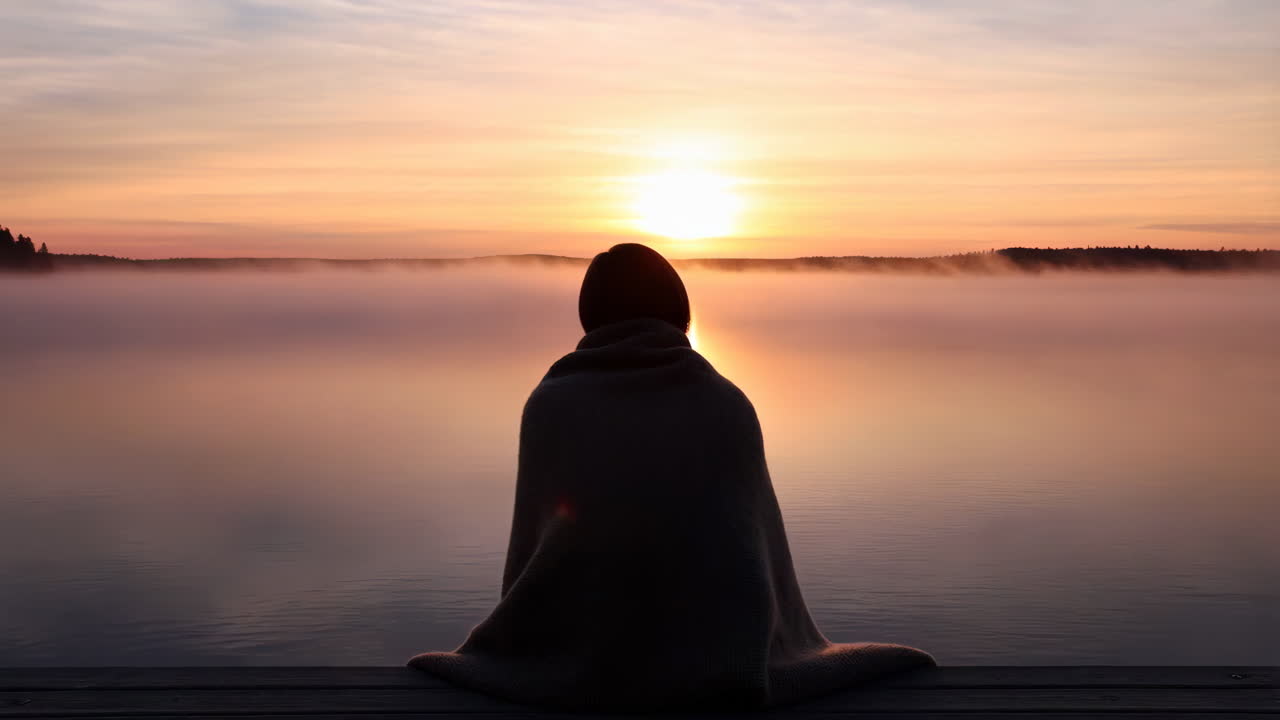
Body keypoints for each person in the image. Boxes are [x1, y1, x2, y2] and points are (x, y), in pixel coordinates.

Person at [409, 243, 933, 709]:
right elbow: (762, 567)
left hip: (581, 674)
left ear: (589, 316)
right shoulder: (725, 404)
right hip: (720, 677)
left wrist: (525, 651)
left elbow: (529, 560)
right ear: (679, 310)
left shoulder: (552, 406)